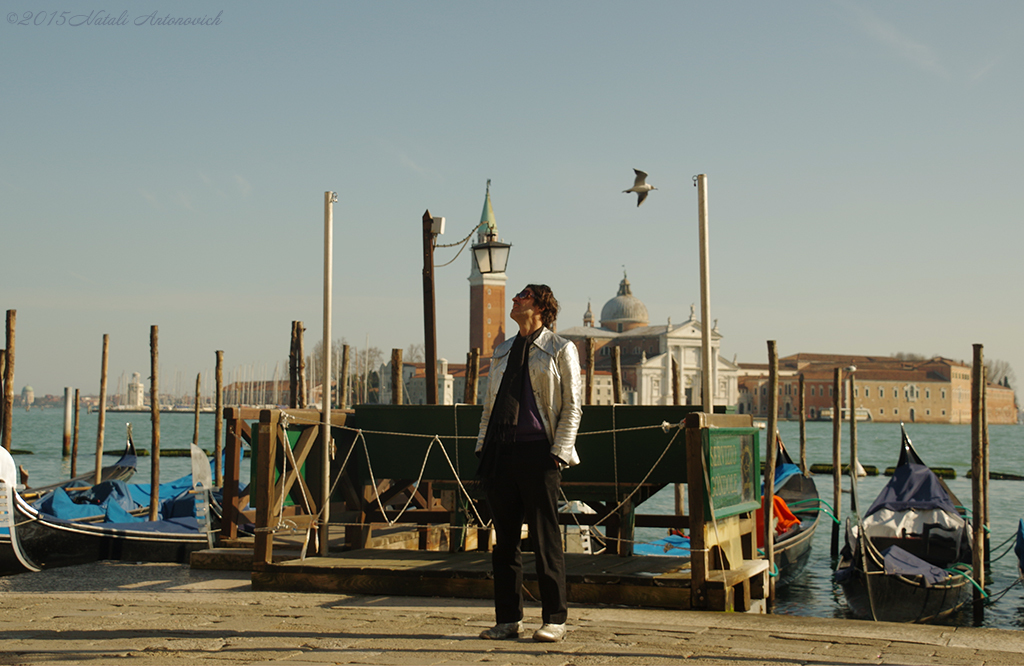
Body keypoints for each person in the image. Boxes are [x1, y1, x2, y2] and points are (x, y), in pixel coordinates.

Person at [475, 284, 582, 643]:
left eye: (522, 296)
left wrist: (559, 451)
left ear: (539, 306)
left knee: (545, 538)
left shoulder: (560, 348)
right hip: (501, 452)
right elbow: (490, 405)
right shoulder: (503, 350)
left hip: (540, 453)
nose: (514, 300)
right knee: (504, 541)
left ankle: (555, 618)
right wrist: (481, 447)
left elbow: (572, 406)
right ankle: (508, 619)